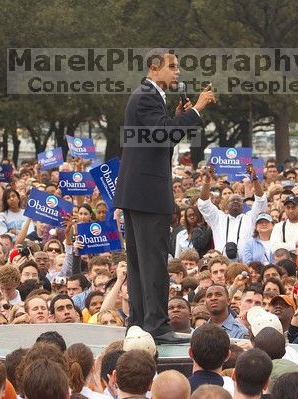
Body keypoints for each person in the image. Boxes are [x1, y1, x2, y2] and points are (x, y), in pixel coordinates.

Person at [113, 48, 215, 344]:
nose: (177, 72)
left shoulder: (149, 97)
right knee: (153, 261)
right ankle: (156, 326)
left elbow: (157, 141)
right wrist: (196, 111)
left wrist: (176, 117)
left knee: (141, 261)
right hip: (146, 193)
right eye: (172, 66)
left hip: (139, 192)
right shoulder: (146, 96)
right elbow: (163, 135)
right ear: (155, 68)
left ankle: (141, 322)